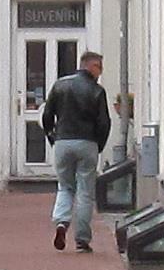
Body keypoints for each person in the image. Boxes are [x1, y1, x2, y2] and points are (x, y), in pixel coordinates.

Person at [42, 49, 114, 252]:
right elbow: (104, 122)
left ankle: (61, 222)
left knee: (65, 186)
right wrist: (99, 144)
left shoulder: (60, 85)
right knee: (85, 191)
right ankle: (82, 239)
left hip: (63, 141)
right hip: (87, 142)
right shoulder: (97, 90)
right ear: (92, 66)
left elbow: (47, 115)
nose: (101, 72)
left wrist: (52, 136)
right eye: (99, 67)